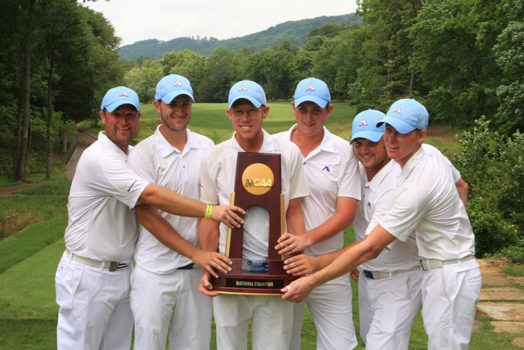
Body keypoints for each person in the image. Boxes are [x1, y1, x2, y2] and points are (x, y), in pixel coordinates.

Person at [282, 98, 481, 350]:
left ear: (420, 135)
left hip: (445, 271)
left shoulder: (414, 187)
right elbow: (461, 186)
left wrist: (312, 276)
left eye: (401, 133)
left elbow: (370, 247)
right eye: (388, 130)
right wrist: (449, 224)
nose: (391, 139)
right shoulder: (429, 153)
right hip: (427, 268)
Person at [55, 86, 244, 350]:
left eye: (130, 115)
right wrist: (211, 211)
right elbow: (151, 197)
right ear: (103, 116)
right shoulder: (100, 157)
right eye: (116, 114)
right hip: (88, 272)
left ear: (138, 117)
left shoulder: (130, 155)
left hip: (122, 272)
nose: (124, 122)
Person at [198, 80, 309, 350]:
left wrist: (296, 264)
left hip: (275, 274)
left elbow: (293, 212)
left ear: (265, 112)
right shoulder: (214, 157)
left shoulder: (289, 152)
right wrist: (208, 263)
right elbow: (209, 216)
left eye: (252, 110)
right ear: (229, 114)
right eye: (238, 111)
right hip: (230, 272)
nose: (245, 118)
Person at [127, 74, 224, 349]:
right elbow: (145, 214)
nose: (179, 111)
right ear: (158, 105)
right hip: (155, 272)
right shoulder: (143, 154)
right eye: (173, 104)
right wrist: (196, 253)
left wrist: (205, 256)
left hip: (196, 270)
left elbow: (216, 205)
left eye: (185, 104)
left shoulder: (206, 146)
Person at [273, 77, 360, 350]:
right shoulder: (272, 146)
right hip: (282, 262)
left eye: (316, 110)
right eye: (303, 109)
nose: (308, 117)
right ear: (293, 108)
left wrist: (306, 240)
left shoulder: (344, 151)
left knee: (340, 344)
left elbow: (346, 213)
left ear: (329, 110)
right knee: (282, 342)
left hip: (329, 263)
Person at [350, 109, 422, 349]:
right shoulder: (357, 173)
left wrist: (335, 263)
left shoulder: (396, 180)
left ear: (386, 140)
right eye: (358, 144)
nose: (364, 150)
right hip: (368, 278)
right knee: (370, 339)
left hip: (399, 279)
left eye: (372, 142)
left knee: (382, 345)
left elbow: (372, 245)